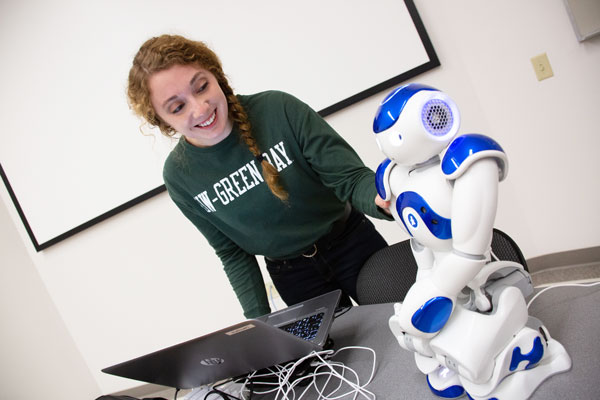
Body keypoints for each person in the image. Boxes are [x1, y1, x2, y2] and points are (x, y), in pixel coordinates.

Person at [127, 34, 392, 318]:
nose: (200, 108)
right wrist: (258, 322)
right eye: (177, 107)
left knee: (412, 325)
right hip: (292, 276)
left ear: (215, 76)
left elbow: (350, 179)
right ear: (162, 121)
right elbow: (231, 252)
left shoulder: (279, 110)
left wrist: (386, 198)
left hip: (353, 243)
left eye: (202, 87)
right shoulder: (180, 177)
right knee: (340, 359)